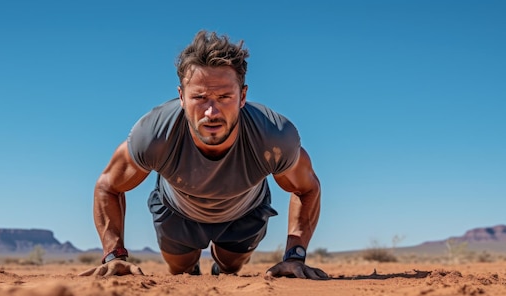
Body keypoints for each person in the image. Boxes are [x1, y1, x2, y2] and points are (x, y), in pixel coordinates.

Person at [79, 30, 328, 280]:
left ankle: (223, 263)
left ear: (242, 96)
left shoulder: (274, 137)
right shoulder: (153, 136)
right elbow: (108, 186)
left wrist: (295, 255)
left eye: (224, 97)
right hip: (176, 212)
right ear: (181, 98)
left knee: (230, 268)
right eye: (199, 97)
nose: (211, 112)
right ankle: (191, 265)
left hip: (245, 212)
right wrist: (114, 255)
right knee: (182, 270)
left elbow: (307, 188)